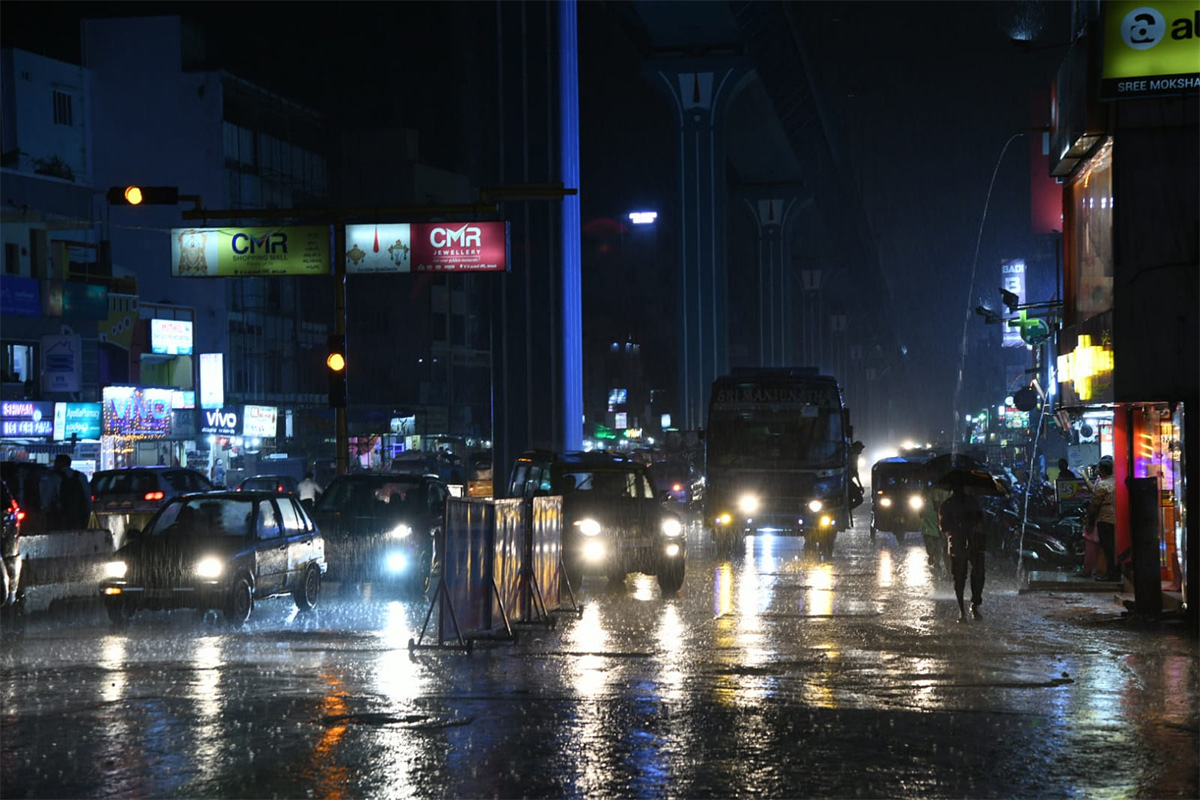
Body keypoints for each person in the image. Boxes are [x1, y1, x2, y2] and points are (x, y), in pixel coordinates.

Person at [938, 478, 986, 622]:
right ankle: (962, 611)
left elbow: (980, 518)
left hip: (973, 541)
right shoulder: (946, 505)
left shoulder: (972, 502)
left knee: (978, 573)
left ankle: (974, 604)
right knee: (960, 577)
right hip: (957, 542)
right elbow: (943, 527)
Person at [1084, 455, 1117, 581]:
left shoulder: (1102, 485)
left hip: (1105, 520)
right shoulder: (1115, 482)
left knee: (1107, 548)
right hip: (1116, 520)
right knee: (1112, 547)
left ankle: (1111, 574)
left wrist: (1090, 521)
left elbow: (1095, 505)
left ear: (1102, 471)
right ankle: (1113, 572)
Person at [46, 454, 92, 530]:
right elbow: (87, 495)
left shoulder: (55, 477)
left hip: (61, 514)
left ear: (60, 463)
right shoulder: (81, 476)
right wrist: (88, 510)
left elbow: (48, 495)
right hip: (79, 513)